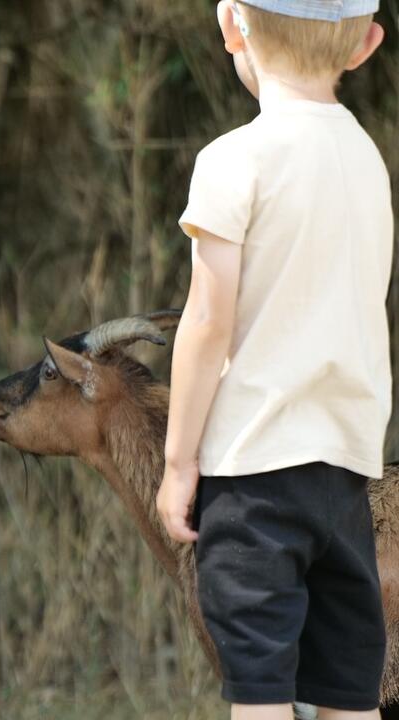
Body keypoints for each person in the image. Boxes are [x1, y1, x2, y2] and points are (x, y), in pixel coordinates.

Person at [156, 1, 390, 718]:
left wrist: (177, 462)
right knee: (350, 691)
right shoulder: (369, 160)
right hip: (347, 480)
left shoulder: (234, 160)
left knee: (260, 693)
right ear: (366, 44)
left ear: (233, 26)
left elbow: (205, 322)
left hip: (254, 477)